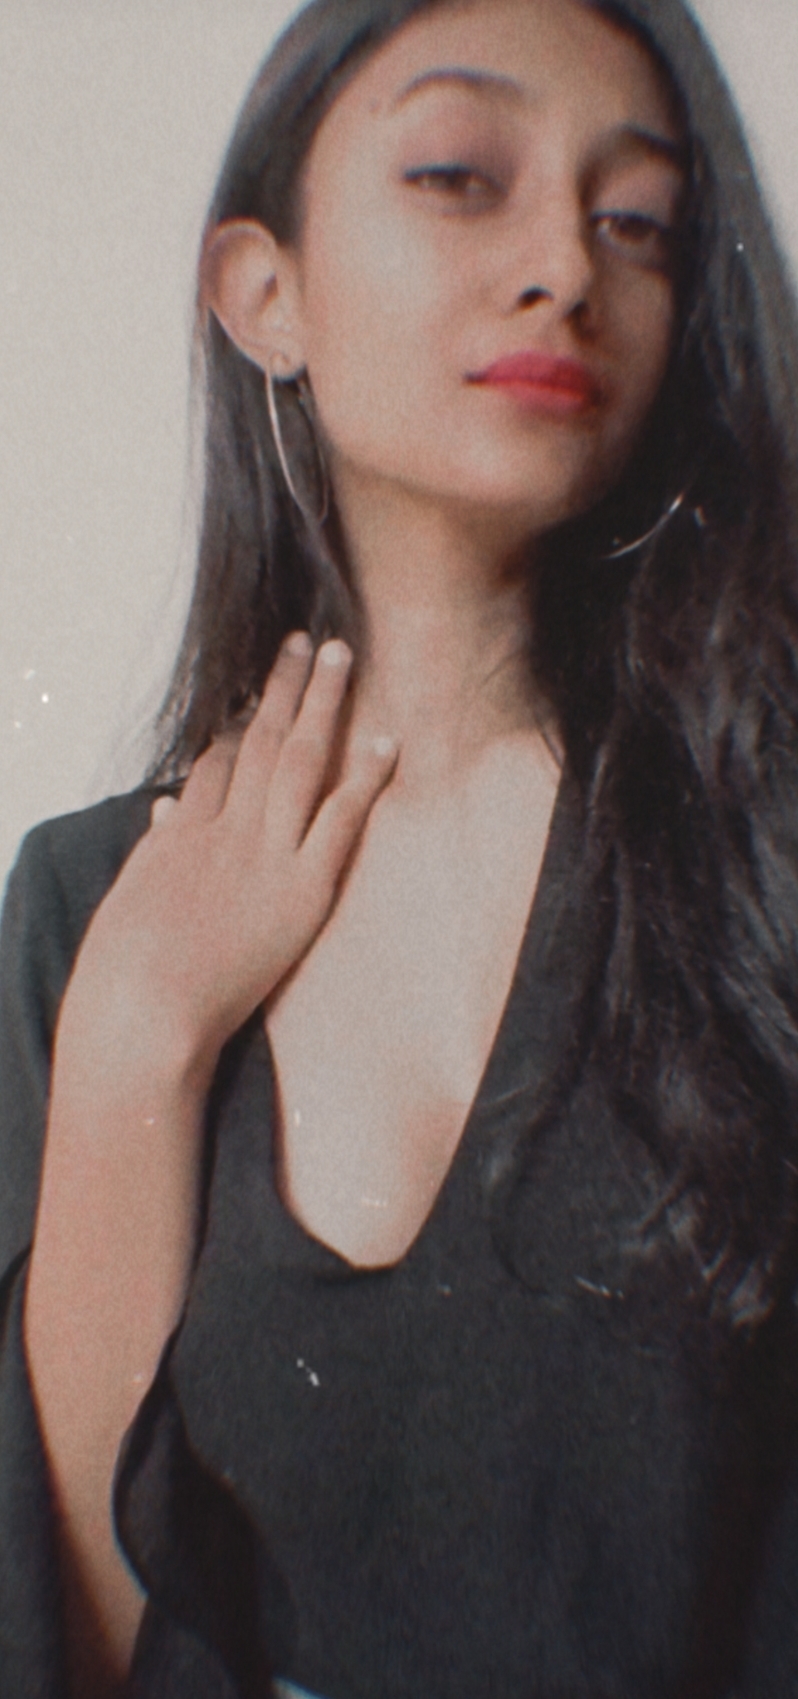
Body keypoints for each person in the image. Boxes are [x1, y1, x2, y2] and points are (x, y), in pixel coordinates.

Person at [3, 0, 798, 1693]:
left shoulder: (763, 873)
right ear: (261, 292)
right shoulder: (84, 912)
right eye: (457, 175)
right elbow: (67, 1645)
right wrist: (136, 1043)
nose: (563, 268)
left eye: (634, 221)